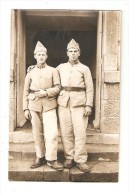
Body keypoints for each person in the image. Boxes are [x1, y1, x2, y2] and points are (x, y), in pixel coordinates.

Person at [23, 41, 63, 170]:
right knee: (37, 133)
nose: (41, 57)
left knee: (51, 133)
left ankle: (51, 159)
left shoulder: (53, 71)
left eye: (43, 54)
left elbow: (58, 87)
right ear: (35, 56)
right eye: (38, 54)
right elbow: (25, 91)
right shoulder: (30, 72)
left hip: (49, 105)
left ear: (46, 56)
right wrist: (25, 108)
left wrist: (46, 93)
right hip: (33, 106)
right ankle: (39, 157)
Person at [57, 39, 94, 172]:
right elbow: (50, 75)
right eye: (70, 51)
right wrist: (33, 68)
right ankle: (69, 157)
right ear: (67, 53)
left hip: (79, 104)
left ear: (79, 53)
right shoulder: (61, 67)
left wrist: (89, 105)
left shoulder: (84, 68)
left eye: (75, 51)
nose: (73, 54)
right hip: (63, 103)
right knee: (65, 132)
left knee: (80, 132)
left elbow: (90, 88)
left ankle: (81, 159)